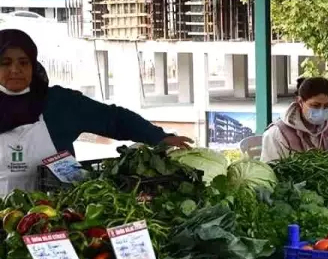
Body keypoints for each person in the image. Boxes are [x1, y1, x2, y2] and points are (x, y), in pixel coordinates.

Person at [0, 29, 190, 196]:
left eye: (23, 63)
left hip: (56, 213)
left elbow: (114, 118)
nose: (15, 70)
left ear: (33, 67)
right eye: (5, 63)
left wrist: (158, 136)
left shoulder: (60, 103)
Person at [260, 77, 328, 163]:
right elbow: (270, 172)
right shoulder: (277, 134)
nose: (321, 110)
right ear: (300, 102)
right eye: (315, 105)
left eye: (326, 106)